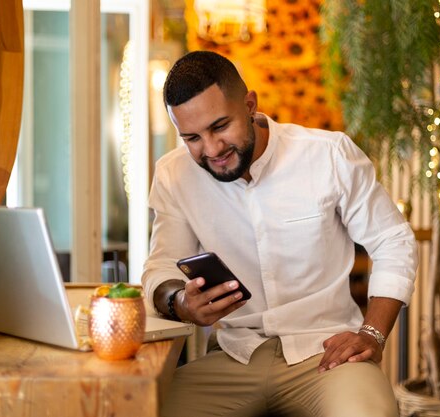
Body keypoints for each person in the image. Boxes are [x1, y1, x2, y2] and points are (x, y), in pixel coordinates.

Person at [142, 50, 418, 417]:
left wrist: (372, 333)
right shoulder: (174, 175)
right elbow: (160, 267)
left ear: (250, 104)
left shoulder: (328, 155)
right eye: (192, 137)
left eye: (220, 126)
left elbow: (393, 241)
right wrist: (180, 302)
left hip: (327, 353)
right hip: (233, 357)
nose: (211, 149)